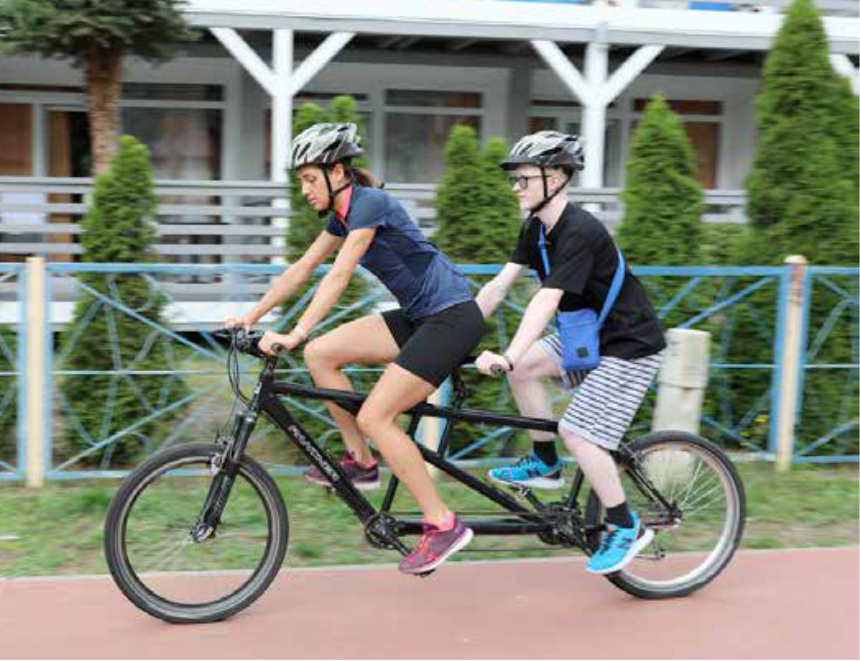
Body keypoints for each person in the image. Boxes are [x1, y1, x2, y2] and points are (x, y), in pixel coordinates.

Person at [226, 123, 487, 575]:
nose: (304, 190)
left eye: (310, 179)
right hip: (419, 316)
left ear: (337, 171)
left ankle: (442, 522)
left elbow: (339, 275)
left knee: (376, 416)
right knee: (321, 355)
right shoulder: (343, 215)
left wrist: (295, 331)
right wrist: (251, 316)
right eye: (301, 181)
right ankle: (362, 462)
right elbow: (303, 268)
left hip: (452, 317)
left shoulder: (371, 204)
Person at [473, 130, 667, 575]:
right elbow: (500, 284)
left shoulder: (579, 230)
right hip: (587, 336)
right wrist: (452, 334)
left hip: (628, 343)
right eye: (515, 180)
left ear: (557, 176)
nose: (516, 188)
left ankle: (625, 525)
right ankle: (544, 462)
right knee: (522, 370)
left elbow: (545, 301)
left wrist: (506, 352)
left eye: (525, 178)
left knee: (578, 431)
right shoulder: (536, 228)